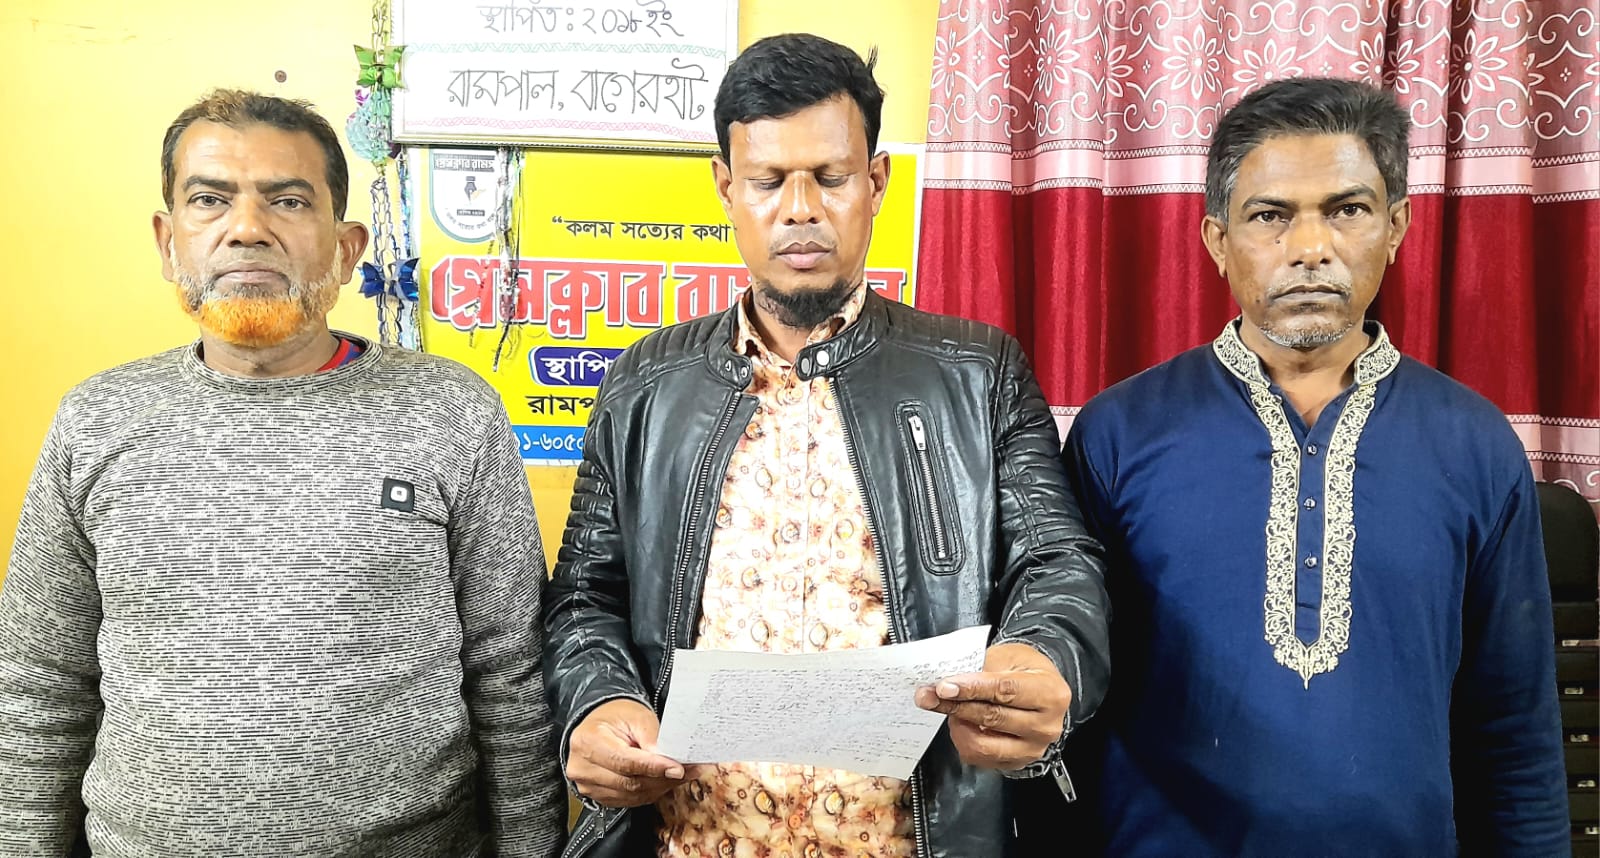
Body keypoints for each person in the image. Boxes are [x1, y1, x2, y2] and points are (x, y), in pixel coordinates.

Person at [542, 33, 1111, 857]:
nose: (801, 208)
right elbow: (584, 597)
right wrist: (599, 702)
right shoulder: (644, 385)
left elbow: (1056, 563)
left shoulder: (978, 372)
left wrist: (1039, 656)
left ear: (875, 182)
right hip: (692, 840)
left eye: (831, 178)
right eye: (769, 180)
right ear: (726, 186)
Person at [0, 90, 566, 857]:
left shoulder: (452, 411)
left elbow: (511, 674)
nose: (247, 228)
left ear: (346, 248)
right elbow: (38, 684)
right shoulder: (96, 419)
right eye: (210, 199)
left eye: (288, 201)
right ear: (168, 242)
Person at [1060, 77, 1570, 856]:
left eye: (1347, 210)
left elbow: (1514, 730)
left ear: (1396, 227)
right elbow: (1071, 711)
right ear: (1217, 241)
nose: (1309, 248)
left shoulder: (1474, 443)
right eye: (1270, 216)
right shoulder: (1118, 434)